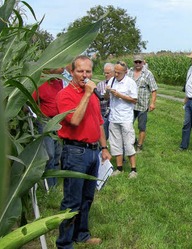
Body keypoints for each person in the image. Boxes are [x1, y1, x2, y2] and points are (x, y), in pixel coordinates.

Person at [55, 55, 111, 248]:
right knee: (72, 201)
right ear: (71, 72)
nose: (85, 75)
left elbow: (99, 122)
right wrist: (86, 94)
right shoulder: (65, 95)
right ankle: (65, 243)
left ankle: (82, 234)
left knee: (87, 197)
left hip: (93, 152)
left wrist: (104, 148)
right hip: (75, 152)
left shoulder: (93, 95)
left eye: (88, 71)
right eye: (80, 71)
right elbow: (75, 120)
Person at [32, 68, 64, 189]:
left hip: (59, 121)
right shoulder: (40, 83)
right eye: (60, 67)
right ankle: (49, 186)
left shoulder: (58, 81)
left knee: (57, 153)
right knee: (49, 154)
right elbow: (31, 101)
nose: (63, 70)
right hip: (45, 122)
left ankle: (54, 185)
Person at [107, 61, 139, 178]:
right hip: (114, 117)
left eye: (118, 73)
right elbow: (106, 97)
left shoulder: (130, 83)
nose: (116, 74)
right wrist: (107, 91)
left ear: (125, 72)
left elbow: (134, 100)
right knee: (115, 143)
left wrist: (119, 95)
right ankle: (119, 168)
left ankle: (133, 170)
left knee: (128, 143)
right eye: (115, 72)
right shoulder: (112, 80)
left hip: (125, 117)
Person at [128, 54, 158, 152]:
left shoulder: (148, 74)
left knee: (141, 126)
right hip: (130, 105)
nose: (137, 64)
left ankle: (139, 146)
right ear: (133, 62)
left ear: (143, 62)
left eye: (139, 62)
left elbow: (153, 89)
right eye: (136, 62)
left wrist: (153, 103)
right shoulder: (129, 72)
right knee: (128, 125)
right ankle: (131, 142)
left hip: (142, 105)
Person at [96, 63, 114, 139]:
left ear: (113, 73)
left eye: (108, 73)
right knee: (104, 134)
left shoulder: (118, 84)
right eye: (105, 73)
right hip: (104, 112)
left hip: (115, 113)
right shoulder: (100, 85)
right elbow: (96, 99)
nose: (106, 75)